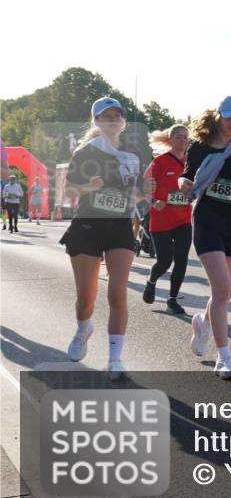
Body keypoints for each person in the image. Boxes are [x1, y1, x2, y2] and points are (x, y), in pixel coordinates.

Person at [178, 96, 231, 379]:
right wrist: (183, 183)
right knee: (220, 289)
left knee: (225, 292)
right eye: (230, 117)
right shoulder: (199, 147)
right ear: (218, 116)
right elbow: (186, 178)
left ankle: (203, 322)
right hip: (208, 221)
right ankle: (224, 356)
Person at [60, 97, 148, 377]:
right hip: (88, 227)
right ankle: (84, 328)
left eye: (117, 115)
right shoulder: (86, 152)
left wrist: (145, 192)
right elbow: (68, 192)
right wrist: (88, 186)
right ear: (97, 121)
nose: (113, 120)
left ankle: (114, 360)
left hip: (120, 227)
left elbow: (134, 195)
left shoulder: (133, 154)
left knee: (117, 293)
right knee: (86, 298)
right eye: (107, 116)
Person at [142, 124, 193, 315]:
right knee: (164, 261)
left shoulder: (191, 163)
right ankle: (151, 281)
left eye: (185, 137)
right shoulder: (159, 162)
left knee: (181, 261)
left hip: (183, 220)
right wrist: (153, 201)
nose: (182, 140)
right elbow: (145, 187)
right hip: (161, 219)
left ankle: (172, 299)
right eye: (178, 137)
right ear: (170, 140)